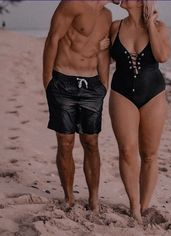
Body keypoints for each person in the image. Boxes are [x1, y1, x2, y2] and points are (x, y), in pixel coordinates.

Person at [43, 0, 112, 212]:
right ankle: (69, 197)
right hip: (63, 80)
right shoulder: (73, 3)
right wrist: (47, 81)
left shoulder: (107, 15)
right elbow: (53, 39)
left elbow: (102, 52)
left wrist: (103, 84)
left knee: (91, 142)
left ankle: (93, 199)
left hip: (92, 85)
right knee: (65, 142)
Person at [109, 0, 171, 223]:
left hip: (153, 95)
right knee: (126, 150)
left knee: (150, 154)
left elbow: (162, 56)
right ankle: (134, 206)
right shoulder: (115, 27)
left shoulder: (160, 27)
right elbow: (101, 56)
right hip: (121, 93)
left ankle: (145, 207)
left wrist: (151, 24)